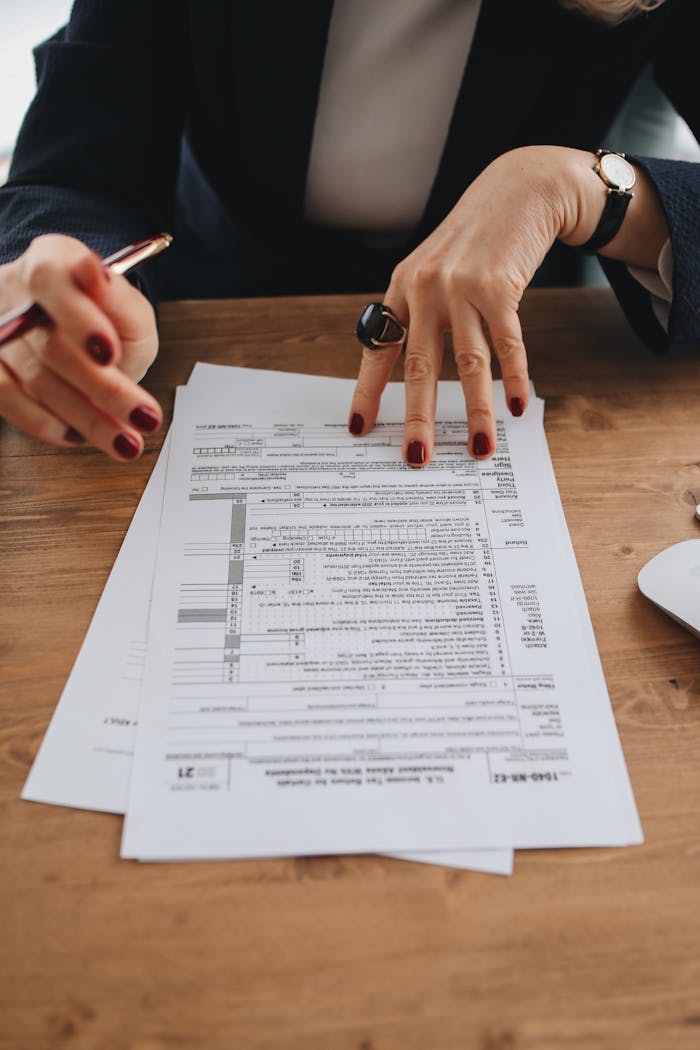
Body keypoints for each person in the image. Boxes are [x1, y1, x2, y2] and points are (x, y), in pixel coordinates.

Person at [0, 0, 697, 465]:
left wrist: (582, 189)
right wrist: (72, 282)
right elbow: (75, 172)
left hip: (510, 334)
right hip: (207, 302)